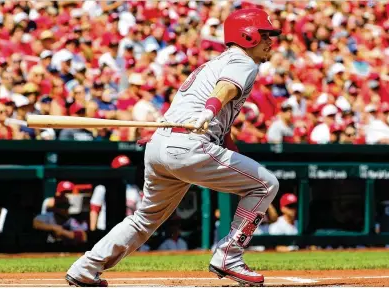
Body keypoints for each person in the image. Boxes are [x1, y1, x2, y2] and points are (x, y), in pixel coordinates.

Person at [66, 8, 281, 287]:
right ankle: (230, 255)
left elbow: (221, 127)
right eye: (265, 34)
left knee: (145, 218)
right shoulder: (243, 61)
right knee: (266, 185)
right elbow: (224, 91)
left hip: (160, 145)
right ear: (247, 35)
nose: (270, 41)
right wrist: (209, 111)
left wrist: (218, 134)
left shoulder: (212, 64)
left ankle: (86, 267)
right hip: (188, 146)